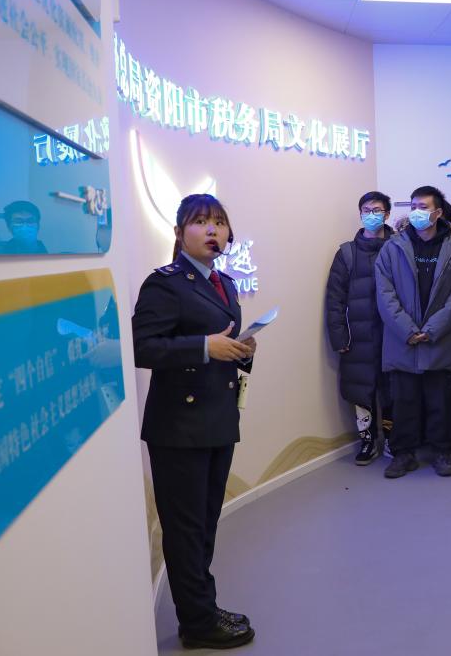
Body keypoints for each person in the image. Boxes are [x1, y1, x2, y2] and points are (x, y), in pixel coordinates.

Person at [132, 193, 257, 650]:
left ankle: (200, 608)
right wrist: (205, 347)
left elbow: (222, 343)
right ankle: (199, 622)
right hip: (179, 426)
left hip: (217, 418)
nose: (212, 230)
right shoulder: (164, 283)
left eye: (219, 223)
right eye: (201, 222)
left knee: (204, 523)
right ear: (179, 232)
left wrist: (241, 349)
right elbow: (141, 347)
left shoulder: (225, 282)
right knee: (186, 529)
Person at [376, 186, 451, 478]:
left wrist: (431, 329)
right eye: (414, 206)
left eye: (423, 207)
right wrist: (407, 329)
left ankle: (443, 452)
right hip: (402, 341)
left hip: (440, 340)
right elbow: (385, 294)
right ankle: (403, 454)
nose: (417, 212)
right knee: (403, 402)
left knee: (441, 400)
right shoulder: (392, 247)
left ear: (438, 212)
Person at [325, 191, 394, 465]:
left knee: (392, 391)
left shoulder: (399, 247)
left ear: (387, 214)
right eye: (367, 210)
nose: (372, 215)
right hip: (357, 337)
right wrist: (339, 337)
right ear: (360, 214)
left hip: (393, 336)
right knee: (360, 392)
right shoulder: (346, 253)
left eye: (377, 210)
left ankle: (392, 439)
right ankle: (367, 441)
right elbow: (335, 300)